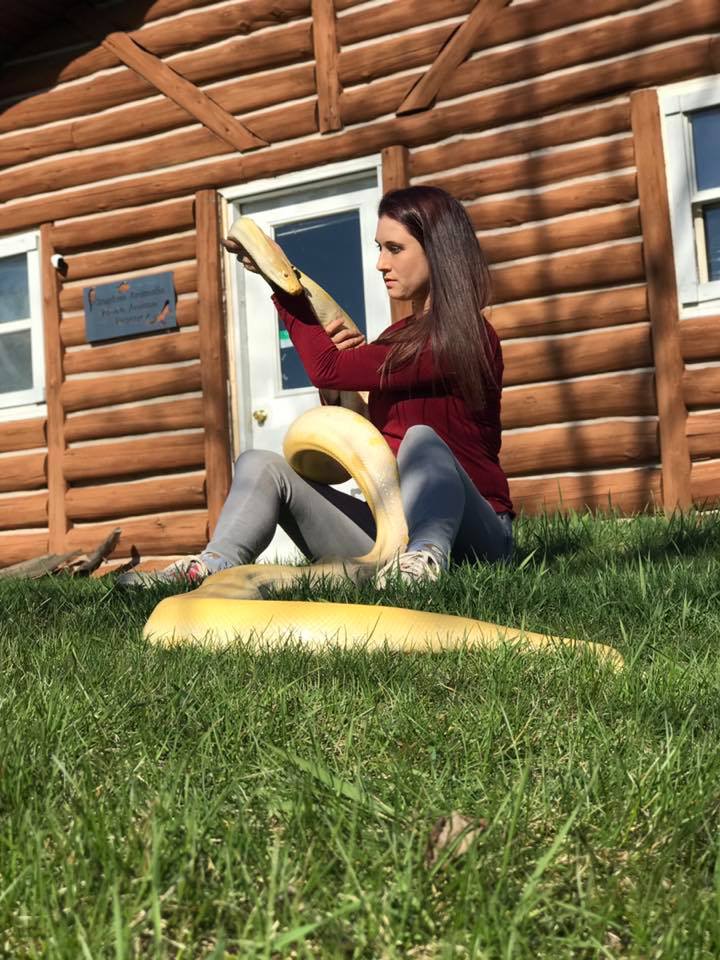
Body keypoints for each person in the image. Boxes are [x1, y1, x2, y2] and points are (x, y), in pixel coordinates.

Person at [119, 186, 513, 588]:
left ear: (438, 250)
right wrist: (339, 393)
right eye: (379, 248)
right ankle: (207, 568)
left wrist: (284, 288)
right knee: (260, 464)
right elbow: (360, 436)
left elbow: (327, 367)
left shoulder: (465, 336)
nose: (380, 264)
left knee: (421, 440)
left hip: (475, 535)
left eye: (395, 249)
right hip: (391, 528)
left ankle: (425, 563)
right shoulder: (397, 337)